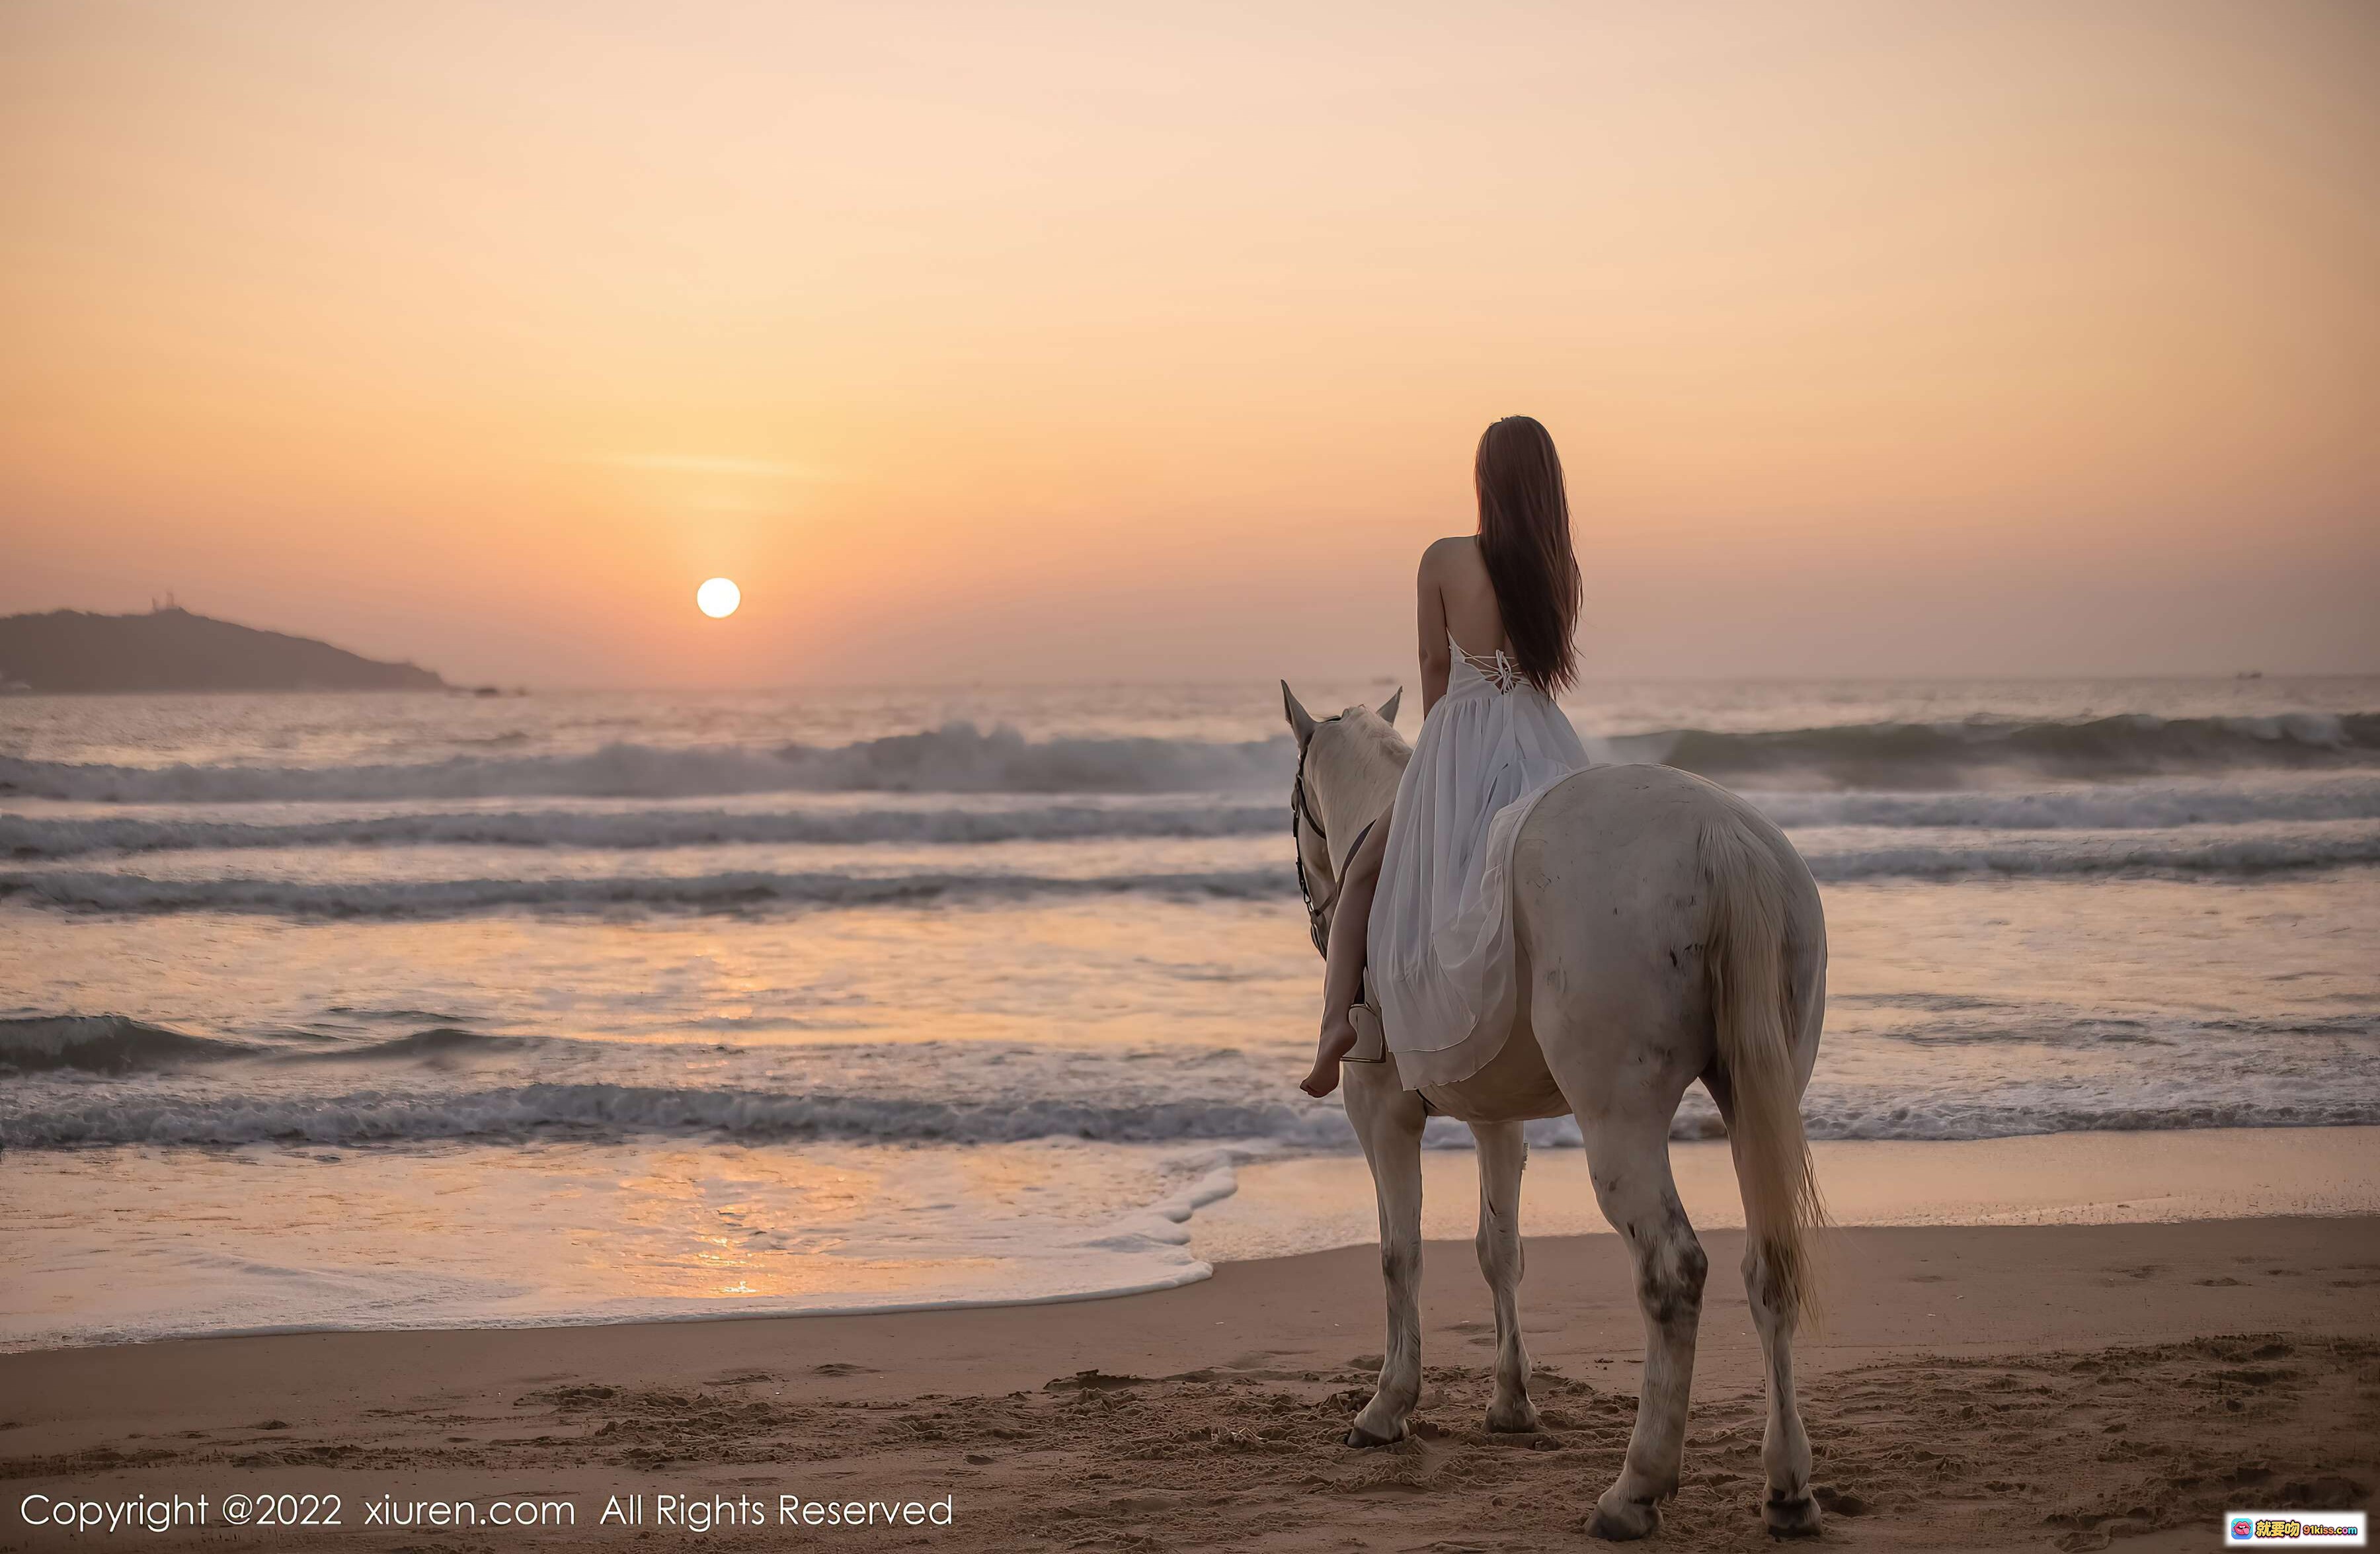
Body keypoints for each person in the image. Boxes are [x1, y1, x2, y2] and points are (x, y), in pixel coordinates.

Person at [1300, 415, 1589, 1098]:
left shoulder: (1444, 558)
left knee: (1366, 872)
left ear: (1484, 479)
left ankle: (1335, 1026)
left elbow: (1435, 663)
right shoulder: (1560, 569)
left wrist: (1435, 759)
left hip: (1461, 733)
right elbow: (1544, 670)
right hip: (1540, 735)